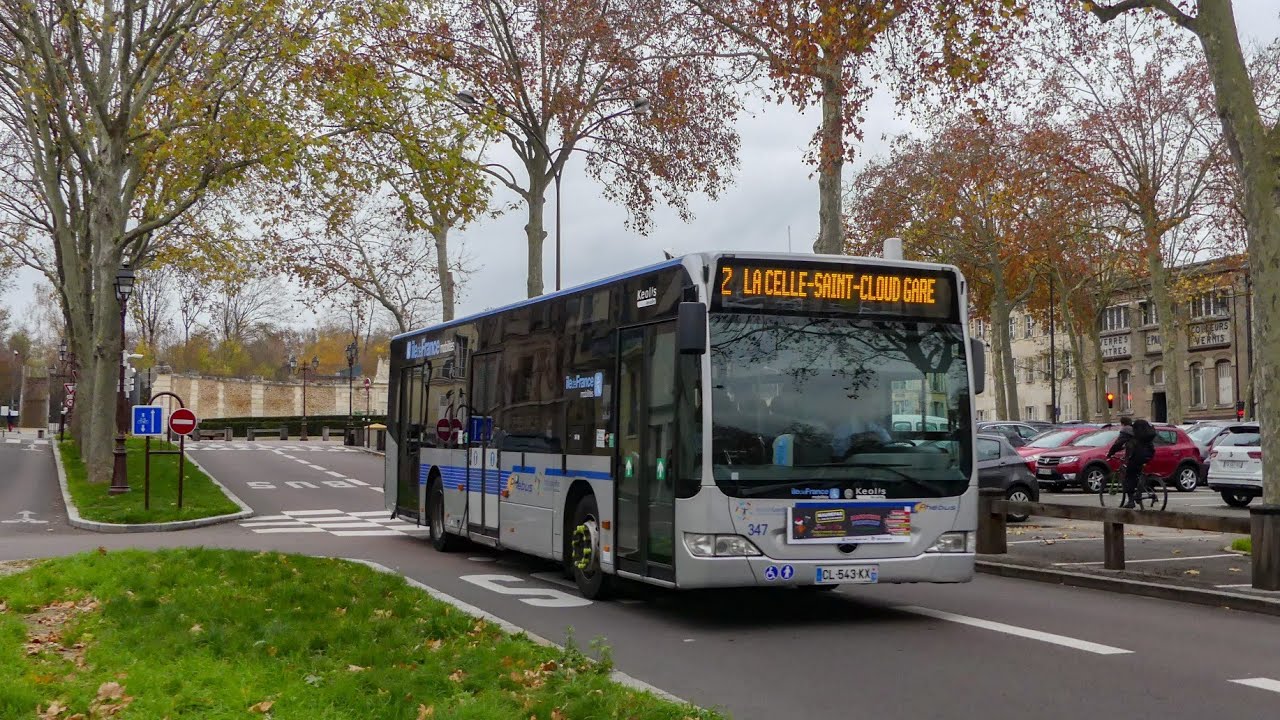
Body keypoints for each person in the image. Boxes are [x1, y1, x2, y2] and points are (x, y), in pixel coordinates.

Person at [1107, 417, 1156, 508]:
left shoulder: (1126, 430)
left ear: (1122, 424)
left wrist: (1110, 453)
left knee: (1129, 476)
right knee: (1139, 473)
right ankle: (1139, 494)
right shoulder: (1141, 431)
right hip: (1149, 453)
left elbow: (1118, 443)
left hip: (1137, 455)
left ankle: (1131, 501)